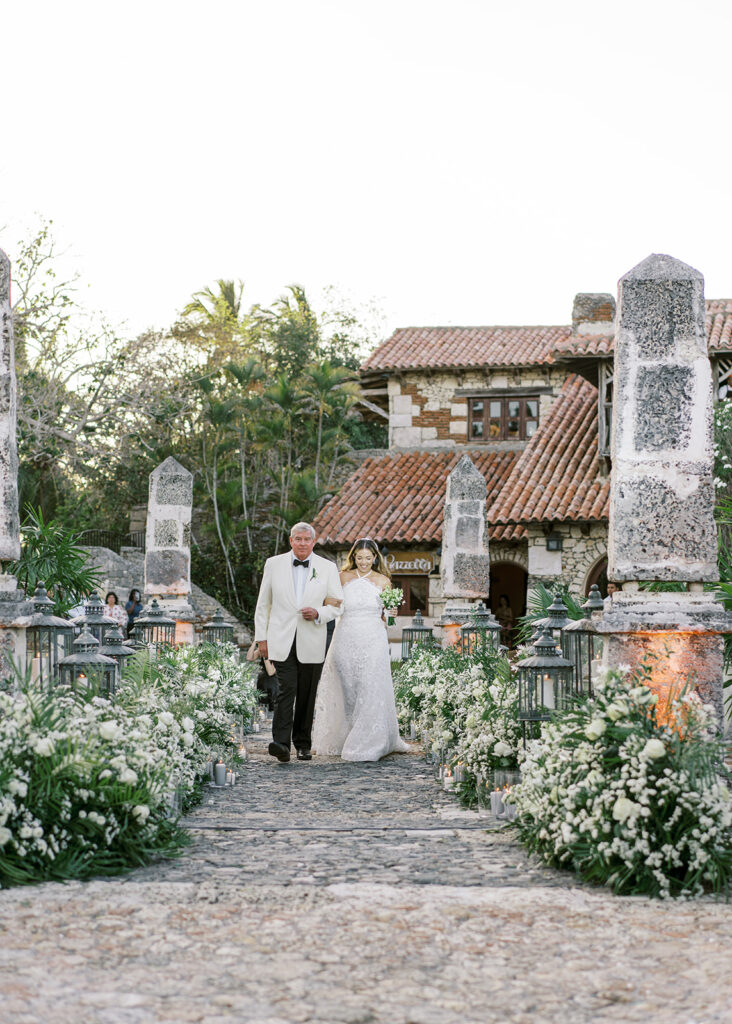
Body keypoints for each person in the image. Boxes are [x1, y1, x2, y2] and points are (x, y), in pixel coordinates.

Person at [254, 522, 344, 763]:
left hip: (313, 638)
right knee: (285, 690)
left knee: (307, 692)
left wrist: (318, 613)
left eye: (307, 539)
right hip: (280, 638)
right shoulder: (273, 564)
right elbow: (263, 604)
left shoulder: (327, 567)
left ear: (313, 542)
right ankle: (280, 744)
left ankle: (303, 744)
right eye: (298, 539)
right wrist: (261, 638)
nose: (303, 543)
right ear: (290, 540)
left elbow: (337, 605)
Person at [312, 538, 409, 762]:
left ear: (375, 558)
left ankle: (370, 739)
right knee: (347, 689)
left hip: (373, 638)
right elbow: (331, 604)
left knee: (370, 686)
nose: (364, 562)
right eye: (359, 557)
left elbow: (387, 617)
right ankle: (346, 735)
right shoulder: (342, 577)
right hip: (345, 636)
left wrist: (392, 614)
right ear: (353, 557)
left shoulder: (384, 581)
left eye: (368, 558)